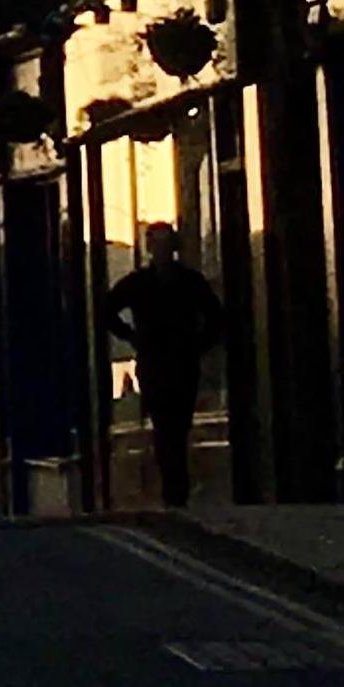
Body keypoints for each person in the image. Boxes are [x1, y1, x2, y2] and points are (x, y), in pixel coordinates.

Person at [103, 219, 224, 510]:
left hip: (180, 363)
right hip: (156, 364)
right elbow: (107, 308)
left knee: (177, 427)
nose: (160, 250)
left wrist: (197, 346)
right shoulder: (142, 282)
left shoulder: (188, 282)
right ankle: (174, 488)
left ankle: (175, 488)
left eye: (164, 244)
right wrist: (131, 336)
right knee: (165, 427)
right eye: (156, 244)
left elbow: (216, 319)